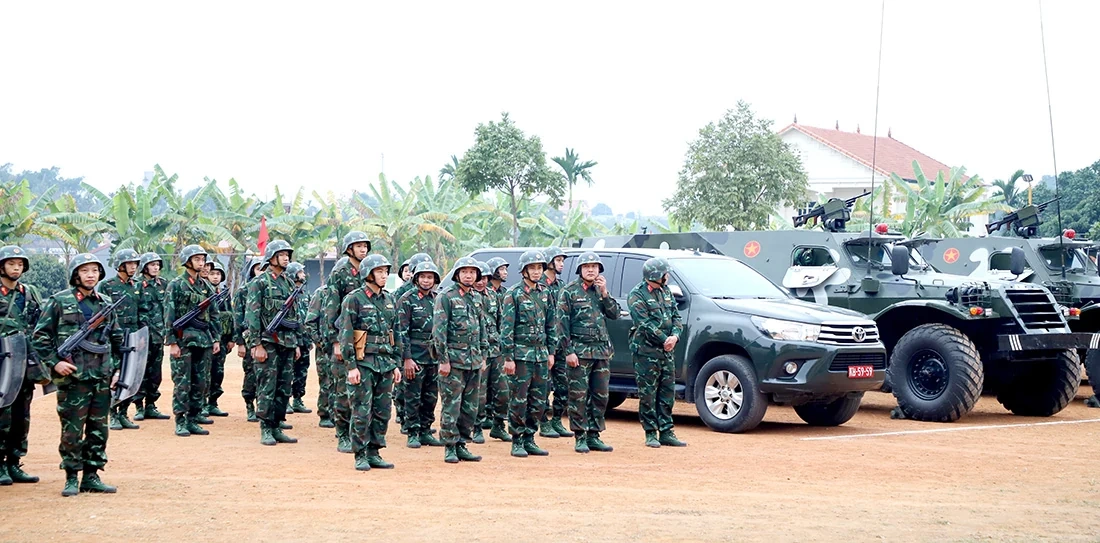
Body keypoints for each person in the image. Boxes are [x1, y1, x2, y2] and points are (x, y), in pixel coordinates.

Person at [31, 253, 122, 496]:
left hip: (101, 376)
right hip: (73, 379)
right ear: (76, 275)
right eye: (85, 271)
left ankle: (92, 476)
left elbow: (116, 338)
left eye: (94, 270)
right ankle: (71, 476)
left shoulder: (105, 302)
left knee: (98, 429)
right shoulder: (59, 301)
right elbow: (39, 337)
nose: (91, 275)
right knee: (72, 430)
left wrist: (117, 371)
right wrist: (55, 363)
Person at [339, 254, 401, 470]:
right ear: (368, 274)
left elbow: (396, 333)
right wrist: (351, 367)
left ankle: (375, 451)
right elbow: (346, 334)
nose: (384, 275)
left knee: (383, 410)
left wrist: (396, 363)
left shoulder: (389, 300)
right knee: (361, 410)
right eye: (379, 271)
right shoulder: (354, 299)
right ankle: (360, 454)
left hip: (384, 363)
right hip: (363, 363)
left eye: (386, 271)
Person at [558, 252, 620, 453]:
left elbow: (615, 314)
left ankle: (594, 434)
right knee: (578, 396)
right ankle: (580, 435)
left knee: (601, 395)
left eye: (595, 267)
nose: (591, 270)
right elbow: (561, 324)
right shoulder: (569, 292)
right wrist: (568, 351)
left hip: (601, 352)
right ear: (580, 270)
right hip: (580, 352)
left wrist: (605, 293)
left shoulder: (600, 291)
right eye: (587, 267)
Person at [500, 250, 559, 458]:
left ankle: (530, 437)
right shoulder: (513, 294)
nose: (536, 272)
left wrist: (551, 352)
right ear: (524, 270)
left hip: (541, 355)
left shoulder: (545, 292)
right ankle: (517, 439)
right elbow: (507, 329)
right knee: (519, 399)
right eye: (532, 268)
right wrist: (508, 357)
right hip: (521, 355)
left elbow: (551, 324)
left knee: (539, 399)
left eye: (539, 268)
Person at [431, 257, 487, 464]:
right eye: (465, 272)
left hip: (473, 360)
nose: (469, 275)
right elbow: (439, 331)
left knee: (470, 406)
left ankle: (462, 443)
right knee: (451, 405)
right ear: (457, 274)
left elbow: (482, 328)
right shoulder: (446, 296)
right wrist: (443, 360)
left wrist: (482, 354)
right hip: (453, 362)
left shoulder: (477, 297)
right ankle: (449, 446)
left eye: (473, 272)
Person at [245, 240, 301, 446]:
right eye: (282, 254)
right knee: (267, 386)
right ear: (271, 258)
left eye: (288, 254)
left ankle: (277, 425)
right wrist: (255, 344)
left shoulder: (288, 283)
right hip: (267, 343)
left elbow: (294, 316)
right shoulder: (259, 283)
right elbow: (252, 315)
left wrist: (295, 344)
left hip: (286, 342)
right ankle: (266, 428)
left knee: (284, 386)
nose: (286, 257)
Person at [627, 257, 686, 448]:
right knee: (648, 394)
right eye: (664, 273)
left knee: (667, 392)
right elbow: (644, 324)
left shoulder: (666, 292)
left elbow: (677, 317)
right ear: (656, 275)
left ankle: (667, 431)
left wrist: (675, 336)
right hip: (646, 352)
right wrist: (664, 339)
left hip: (666, 352)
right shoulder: (637, 295)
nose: (667, 276)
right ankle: (651, 432)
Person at [0, 245, 46, 485]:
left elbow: (41, 324)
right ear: (1, 267)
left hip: (24, 362)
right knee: (1, 413)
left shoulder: (30, 293)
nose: (16, 268)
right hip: (1, 363)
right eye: (11, 264)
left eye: (19, 264)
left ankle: (14, 462)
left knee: (21, 415)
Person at [163, 245, 220, 437]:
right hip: (183, 340)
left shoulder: (206, 286)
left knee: (200, 382)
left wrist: (216, 338)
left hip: (203, 340)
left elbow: (214, 315)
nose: (201, 263)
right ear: (187, 261)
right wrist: (171, 342)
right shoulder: (176, 285)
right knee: (182, 382)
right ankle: (180, 420)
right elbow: (169, 315)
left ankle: (193, 419)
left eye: (202, 259)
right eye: (197, 259)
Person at [322, 232, 371, 454]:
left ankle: (360, 434)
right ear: (349, 249)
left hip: (366, 339)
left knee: (363, 390)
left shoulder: (370, 270)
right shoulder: (340, 273)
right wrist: (335, 341)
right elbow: (331, 307)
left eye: (365, 246)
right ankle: (342, 434)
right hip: (345, 337)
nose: (363, 250)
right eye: (358, 246)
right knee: (343, 391)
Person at [395, 261, 444, 449]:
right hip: (414, 355)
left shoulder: (438, 298)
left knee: (431, 397)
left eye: (429, 277)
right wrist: (406, 358)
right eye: (422, 277)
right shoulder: (406, 299)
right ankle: (413, 432)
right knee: (412, 396)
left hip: (433, 356)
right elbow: (401, 331)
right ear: (416, 278)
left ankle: (425, 430)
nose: (426, 280)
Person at [98, 248, 142, 431]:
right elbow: (101, 313)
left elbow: (142, 311)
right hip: (115, 336)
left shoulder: (137, 286)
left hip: (132, 336)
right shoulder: (107, 286)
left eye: (135, 264)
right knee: (116, 374)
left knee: (131, 375)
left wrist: (141, 334)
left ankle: (124, 412)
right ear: (120, 265)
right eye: (129, 264)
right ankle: (113, 413)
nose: (133, 267)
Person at [538, 246, 572, 439]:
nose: (561, 264)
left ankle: (557, 419)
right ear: (549, 262)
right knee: (543, 385)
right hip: (543, 343)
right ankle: (543, 421)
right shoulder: (538, 285)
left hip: (560, 343)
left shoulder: (562, 286)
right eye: (558, 260)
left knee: (563, 383)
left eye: (562, 261)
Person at [473, 261, 509, 443]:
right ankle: (476, 427)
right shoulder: (468, 297)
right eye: (478, 278)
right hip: (478, 351)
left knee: (503, 391)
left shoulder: (493, 296)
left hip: (496, 350)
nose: (481, 282)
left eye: (484, 278)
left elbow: (501, 321)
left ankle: (498, 425)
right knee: (479, 393)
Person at [133, 252, 170, 422]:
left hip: (158, 335)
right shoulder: (138, 285)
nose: (155, 267)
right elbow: (135, 312)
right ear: (144, 266)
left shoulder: (164, 284)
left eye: (157, 264)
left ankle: (151, 405)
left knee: (156, 373)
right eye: (152, 264)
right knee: (141, 372)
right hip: (142, 336)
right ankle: (139, 406)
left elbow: (168, 310)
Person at [234, 256, 264, 422]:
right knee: (251, 373)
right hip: (249, 339)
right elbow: (238, 318)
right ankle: (249, 405)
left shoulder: (270, 287)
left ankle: (263, 407)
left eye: (263, 268)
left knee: (266, 375)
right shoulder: (243, 291)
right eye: (257, 268)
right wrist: (240, 342)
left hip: (267, 338)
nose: (260, 271)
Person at [204, 261, 234, 418]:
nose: (215, 277)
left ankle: (213, 402)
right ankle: (201, 403)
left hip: (221, 338)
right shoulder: (204, 291)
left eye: (218, 274)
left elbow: (230, 315)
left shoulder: (224, 293)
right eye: (212, 274)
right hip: (205, 337)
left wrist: (231, 338)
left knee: (218, 371)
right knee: (204, 372)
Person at [305, 282, 334, 427]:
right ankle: (325, 414)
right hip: (326, 348)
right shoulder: (322, 293)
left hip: (347, 347)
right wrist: (319, 342)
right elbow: (310, 322)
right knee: (326, 382)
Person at [286, 262, 313, 415]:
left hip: (305, 340)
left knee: (302, 371)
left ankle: (298, 399)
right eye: (300, 272)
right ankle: (286, 401)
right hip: (291, 340)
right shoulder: (288, 294)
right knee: (288, 371)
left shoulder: (305, 294)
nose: (303, 275)